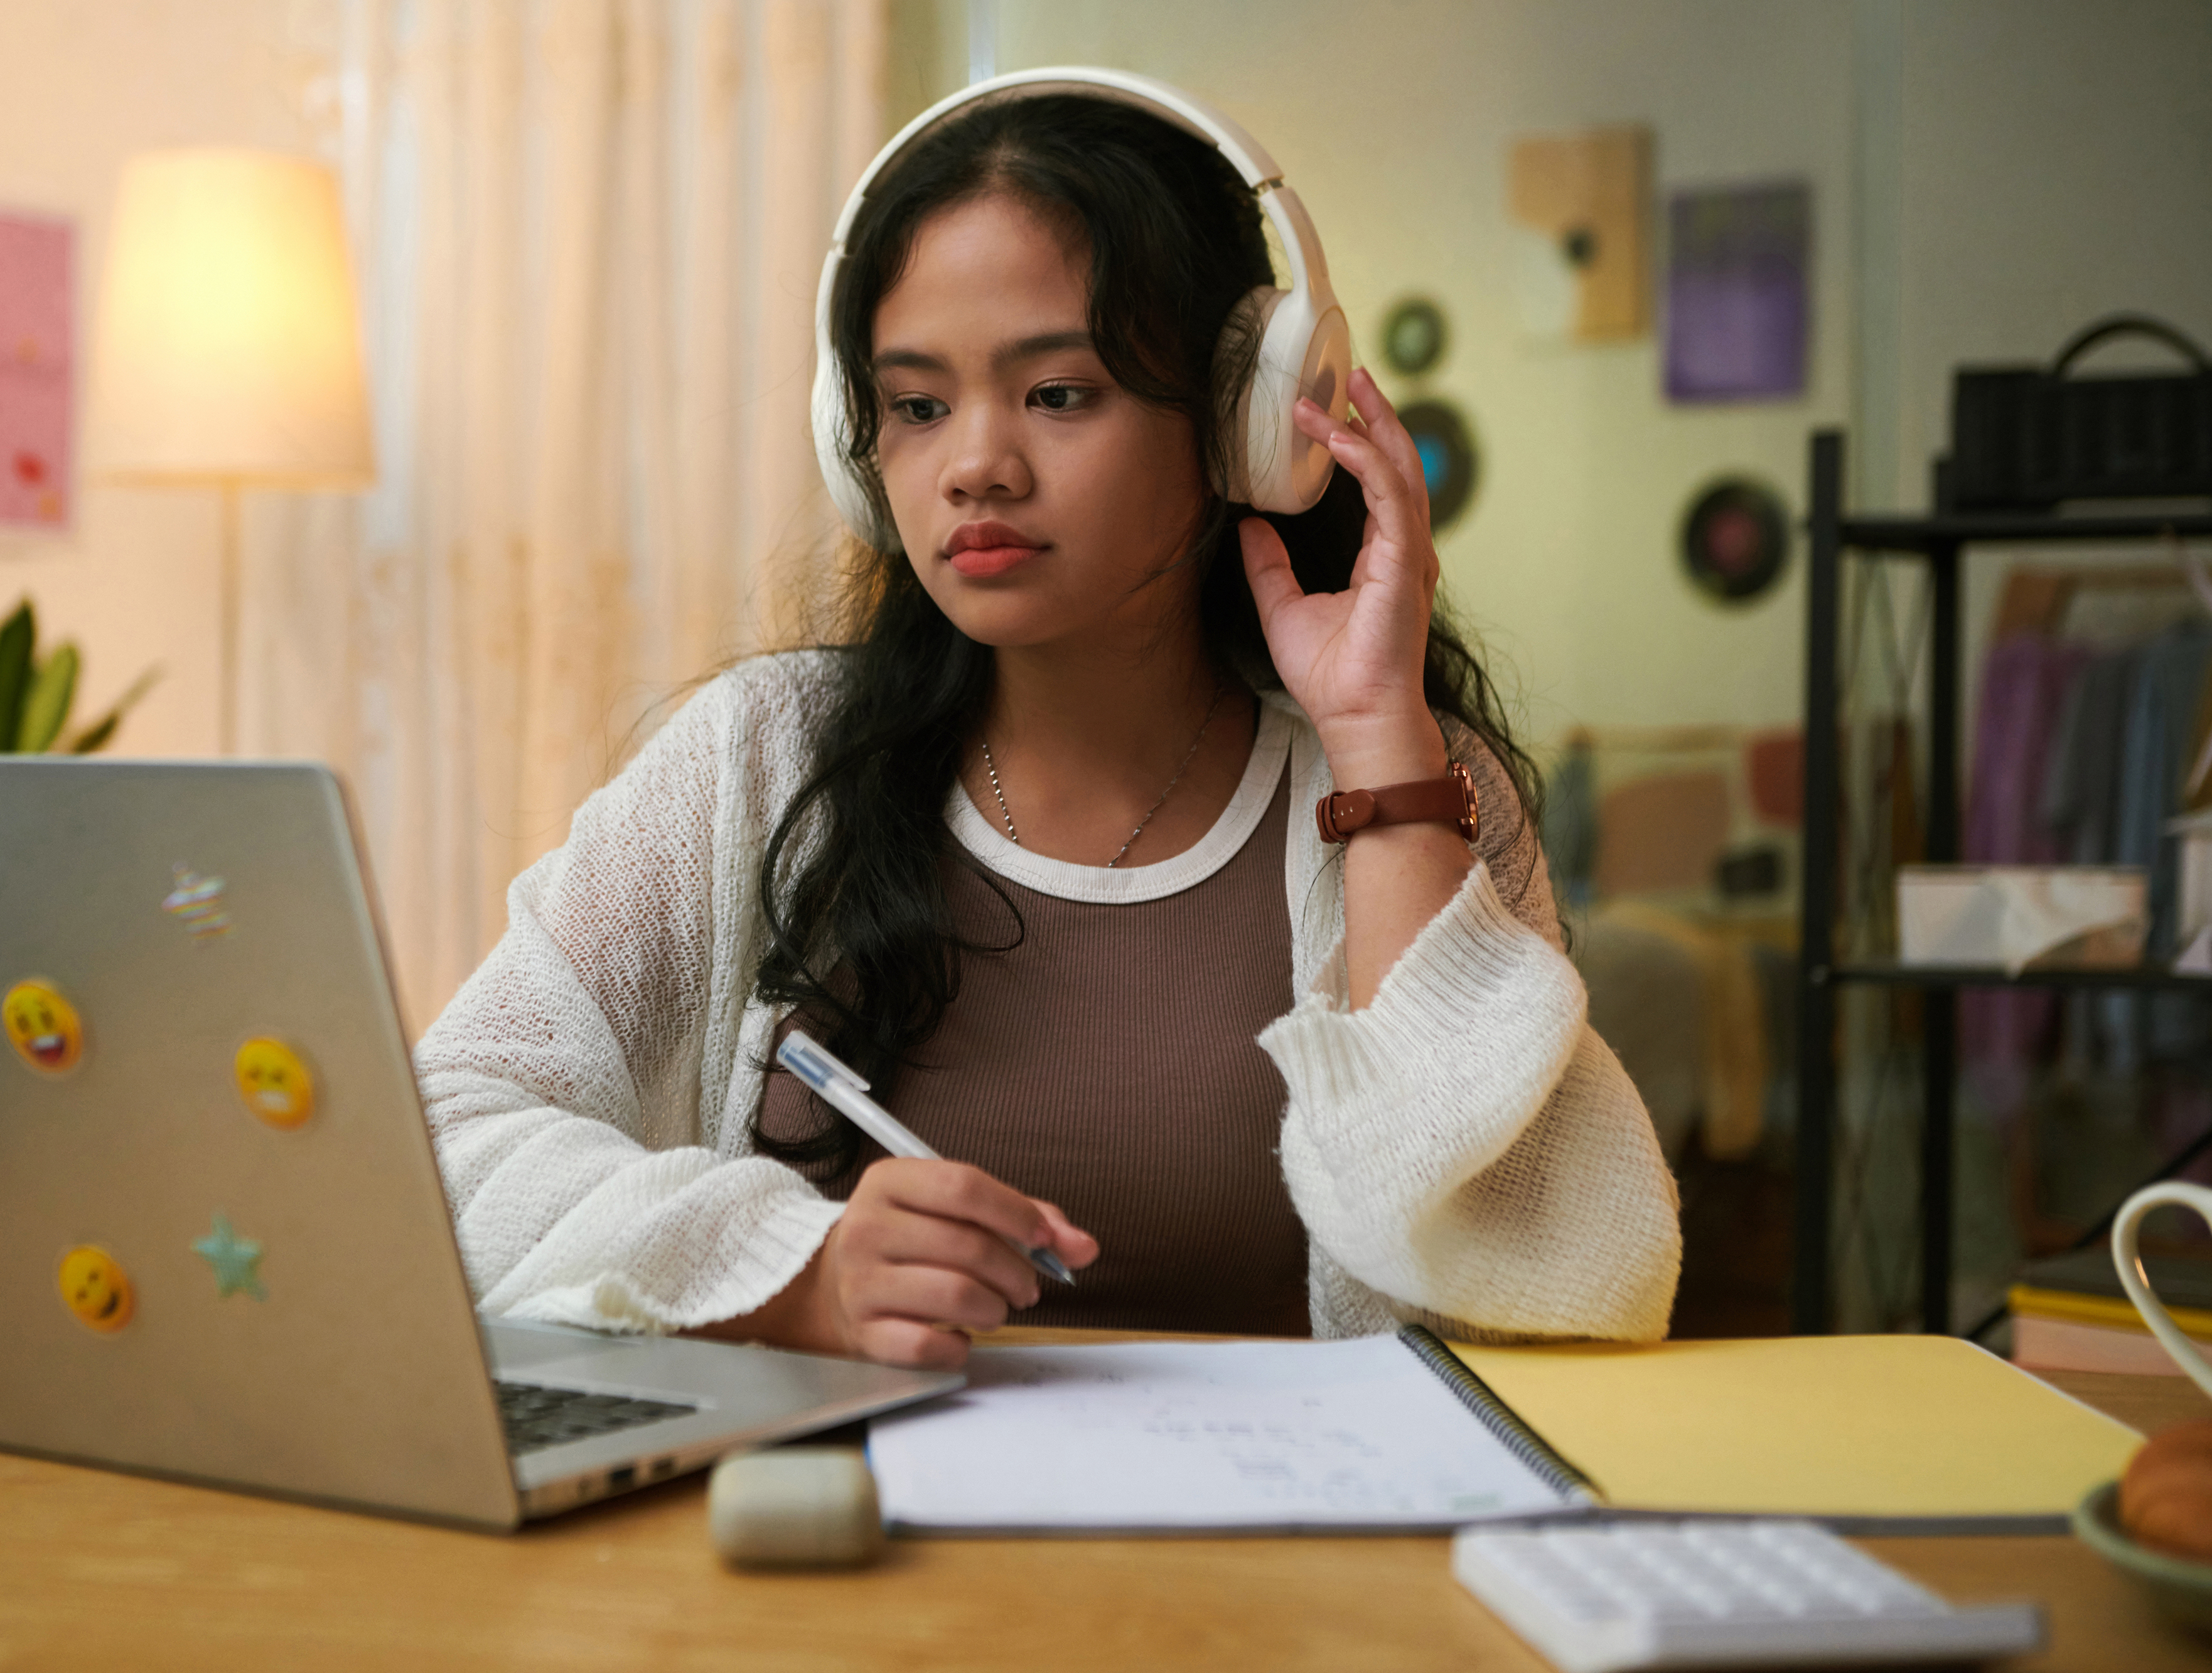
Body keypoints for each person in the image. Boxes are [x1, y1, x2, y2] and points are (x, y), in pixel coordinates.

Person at [415, 83, 1680, 1371]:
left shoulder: (1410, 780)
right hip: (853, 1545)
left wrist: (1375, 744)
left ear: (1245, 418)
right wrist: (783, 1269)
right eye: (914, 406)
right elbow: (443, 1131)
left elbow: (1546, 1277)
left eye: (1059, 394)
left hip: (1298, 1556)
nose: (973, 464)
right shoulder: (758, 757)